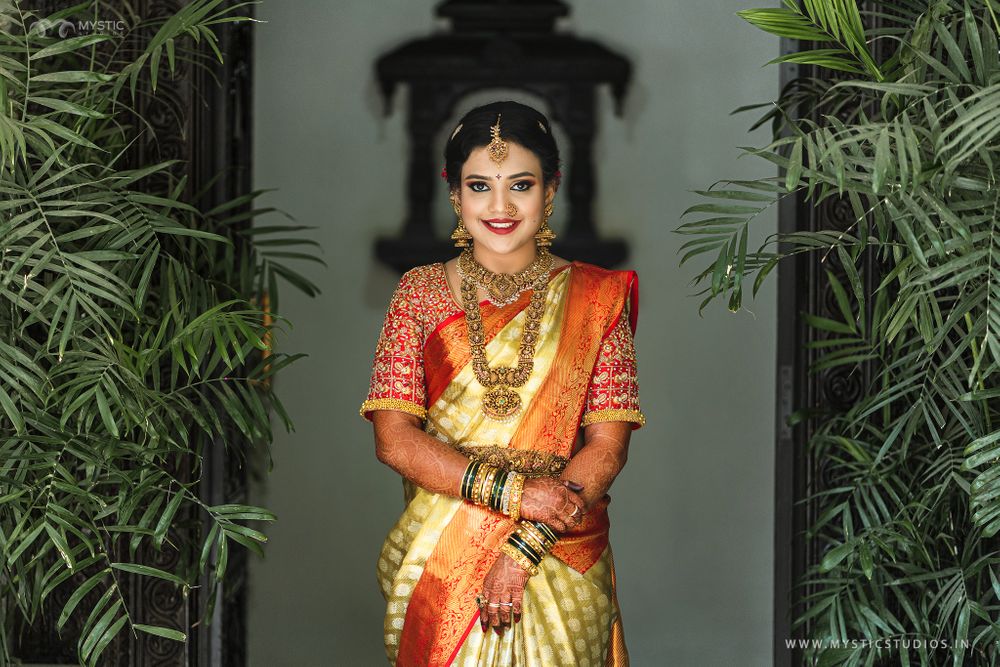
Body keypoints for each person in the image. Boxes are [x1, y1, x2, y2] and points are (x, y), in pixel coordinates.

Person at [360, 100, 645, 666]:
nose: (500, 206)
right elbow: (394, 439)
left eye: (520, 184)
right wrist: (517, 495)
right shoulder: (419, 295)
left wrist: (524, 546)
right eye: (479, 186)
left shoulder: (595, 299)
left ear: (550, 189)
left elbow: (608, 445)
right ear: (454, 194)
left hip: (560, 553)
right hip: (443, 556)